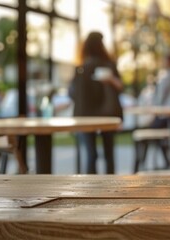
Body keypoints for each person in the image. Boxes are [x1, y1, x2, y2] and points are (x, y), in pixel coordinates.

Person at [69, 32, 123, 174]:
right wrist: (110, 80)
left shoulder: (81, 68)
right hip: (108, 115)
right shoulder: (109, 65)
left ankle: (90, 191)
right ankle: (112, 189)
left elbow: (72, 93)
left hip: (86, 116)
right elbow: (120, 88)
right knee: (108, 155)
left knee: (91, 155)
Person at [149, 54, 170, 128]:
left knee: (152, 126)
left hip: (167, 116)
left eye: (164, 61)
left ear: (169, 63)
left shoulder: (168, 78)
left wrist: (155, 107)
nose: (162, 62)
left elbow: (160, 98)